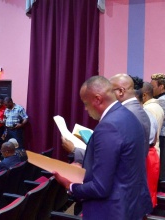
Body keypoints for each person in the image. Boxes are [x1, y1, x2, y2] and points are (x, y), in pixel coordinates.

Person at [54, 76, 152, 220]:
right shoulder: (129, 116)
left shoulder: (108, 126)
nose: (86, 109)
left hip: (111, 211)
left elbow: (100, 188)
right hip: (131, 203)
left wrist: (70, 186)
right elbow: (121, 164)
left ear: (98, 99)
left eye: (86, 104)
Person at [109, 73, 151, 157]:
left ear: (121, 91)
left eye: (110, 91)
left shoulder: (123, 113)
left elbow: (113, 149)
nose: (108, 95)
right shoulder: (140, 111)